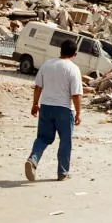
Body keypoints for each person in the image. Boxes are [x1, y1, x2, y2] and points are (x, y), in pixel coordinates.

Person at [25, 38, 83, 182]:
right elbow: (76, 94)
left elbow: (38, 86)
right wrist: (78, 113)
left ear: (60, 50)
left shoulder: (47, 64)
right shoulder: (73, 69)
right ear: (75, 54)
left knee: (43, 138)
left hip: (46, 107)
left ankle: (33, 159)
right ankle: (62, 173)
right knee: (65, 141)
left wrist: (35, 104)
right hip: (64, 109)